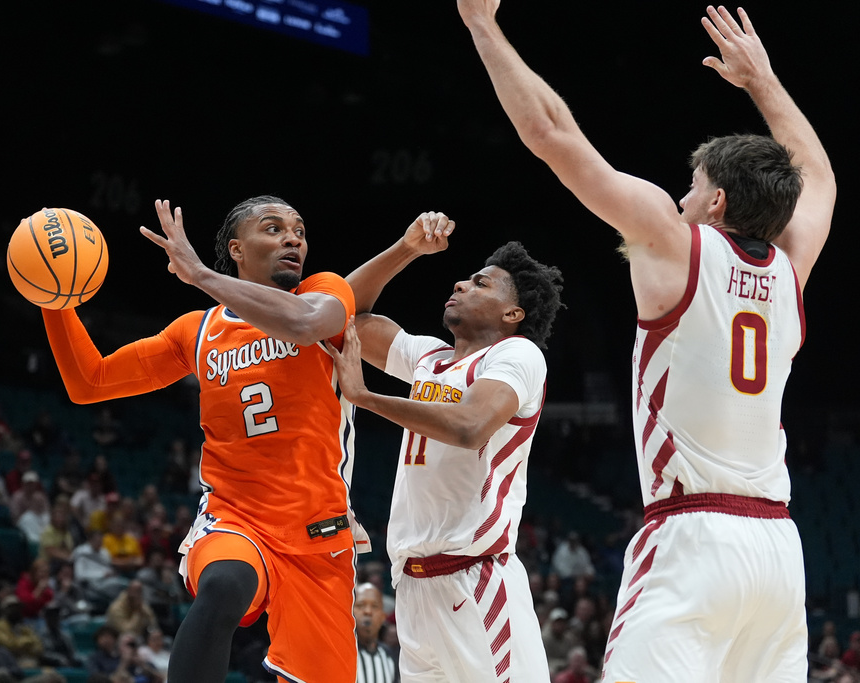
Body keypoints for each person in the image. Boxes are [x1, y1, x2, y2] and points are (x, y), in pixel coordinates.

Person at [455, 3, 836, 681]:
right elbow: (821, 176)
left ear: (716, 202)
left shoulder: (675, 244)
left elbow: (550, 133)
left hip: (691, 536)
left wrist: (483, 26)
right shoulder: (791, 267)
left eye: (693, 188)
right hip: (779, 551)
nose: (683, 198)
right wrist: (763, 79)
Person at [39, 196, 368, 683]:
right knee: (222, 585)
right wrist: (53, 301)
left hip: (320, 539)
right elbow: (90, 382)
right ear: (237, 248)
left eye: (298, 230)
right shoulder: (198, 331)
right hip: (237, 519)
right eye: (273, 229)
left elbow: (304, 324)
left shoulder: (325, 291)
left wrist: (202, 277)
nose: (292, 238)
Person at [326, 214, 563, 682]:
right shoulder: (428, 358)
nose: (460, 283)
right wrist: (407, 249)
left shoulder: (516, 355)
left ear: (512, 314)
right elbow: (344, 316)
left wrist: (366, 398)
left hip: (474, 580)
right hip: (412, 589)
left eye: (481, 284)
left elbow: (471, 425)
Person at [353, 583, 398, 683]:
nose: (368, 611)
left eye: (374, 606)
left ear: (383, 616)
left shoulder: (389, 655)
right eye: (360, 605)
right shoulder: (340, 653)